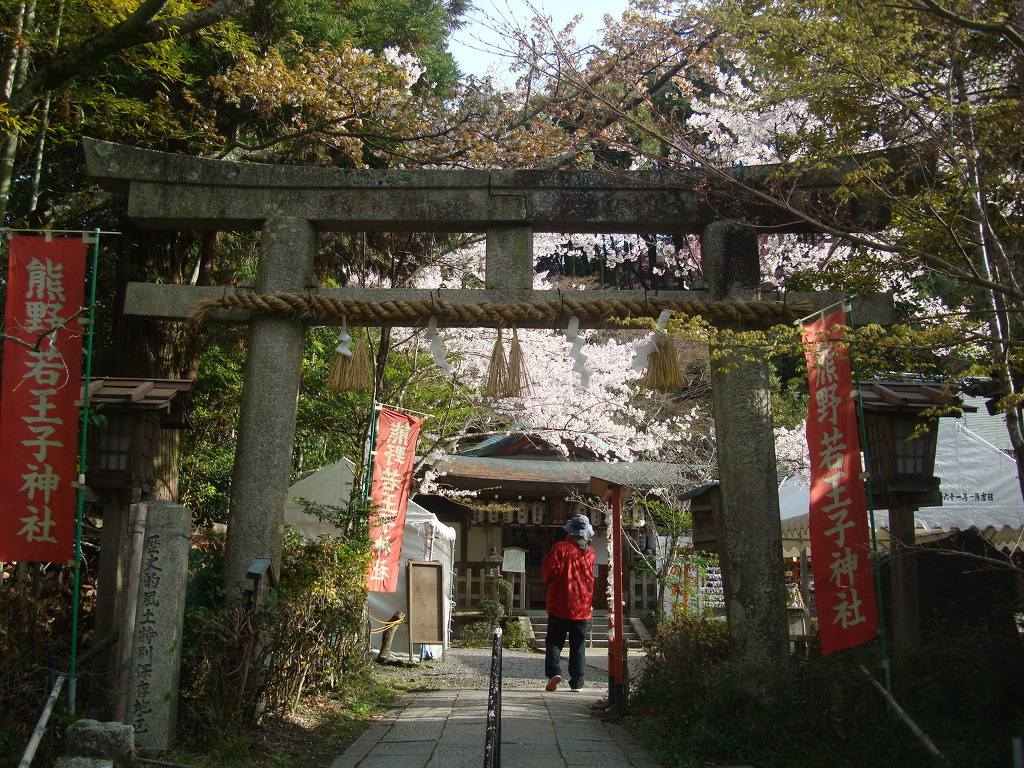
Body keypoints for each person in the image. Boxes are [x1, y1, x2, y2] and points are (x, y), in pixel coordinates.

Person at [542, 513, 596, 692]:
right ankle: (577, 682)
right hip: (583, 605)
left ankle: (554, 672)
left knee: (554, 641)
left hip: (560, 603)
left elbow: (549, 573)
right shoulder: (591, 553)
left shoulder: (560, 548)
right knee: (578, 645)